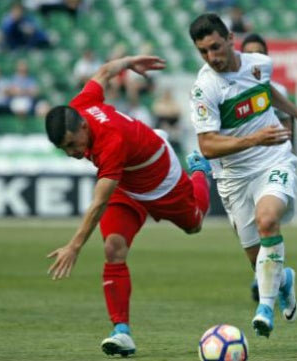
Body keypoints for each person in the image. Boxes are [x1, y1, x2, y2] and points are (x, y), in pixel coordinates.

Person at [44, 54, 212, 357]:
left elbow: (98, 203)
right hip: (127, 182)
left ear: (83, 126)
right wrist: (130, 61)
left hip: (161, 177)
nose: (72, 152)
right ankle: (121, 331)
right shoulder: (80, 106)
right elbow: (104, 71)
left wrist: (74, 246)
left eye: (72, 144)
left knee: (195, 225)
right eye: (64, 148)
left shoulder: (110, 142)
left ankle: (199, 171)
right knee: (113, 248)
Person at [188, 13, 297, 338]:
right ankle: (284, 281)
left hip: (272, 159)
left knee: (268, 221)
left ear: (231, 39)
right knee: (258, 259)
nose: (212, 57)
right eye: (204, 51)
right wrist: (253, 138)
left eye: (216, 47)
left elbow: (266, 90)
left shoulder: (260, 63)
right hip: (234, 177)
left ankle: (264, 308)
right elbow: (207, 146)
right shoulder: (205, 88)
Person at [241, 33, 293, 132]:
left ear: (266, 57)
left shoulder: (279, 91)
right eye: (249, 54)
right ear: (242, 58)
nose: (254, 58)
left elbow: (286, 125)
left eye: (259, 54)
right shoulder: (232, 89)